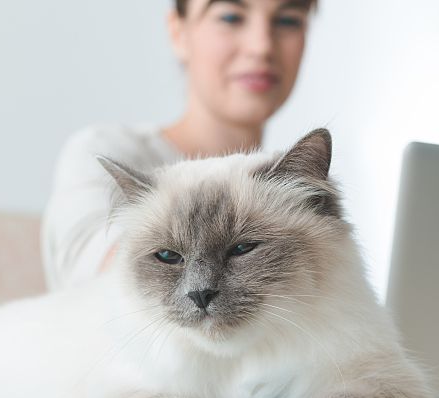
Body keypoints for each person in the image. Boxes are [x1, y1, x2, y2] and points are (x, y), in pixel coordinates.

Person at [42, 0, 316, 291]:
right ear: (178, 32)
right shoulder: (108, 150)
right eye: (231, 17)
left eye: (288, 20)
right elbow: (93, 287)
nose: (262, 45)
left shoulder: (293, 177)